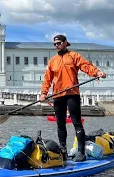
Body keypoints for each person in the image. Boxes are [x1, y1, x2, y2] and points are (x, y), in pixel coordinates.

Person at [40, 34, 106, 162]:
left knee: (77, 123)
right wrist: (44, 93)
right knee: (60, 124)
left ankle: (81, 152)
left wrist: (97, 72)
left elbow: (86, 66)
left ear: (65, 43)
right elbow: (47, 79)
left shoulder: (74, 56)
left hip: (72, 94)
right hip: (58, 95)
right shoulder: (52, 61)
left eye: (58, 43)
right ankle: (63, 151)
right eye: (54, 44)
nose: (56, 46)